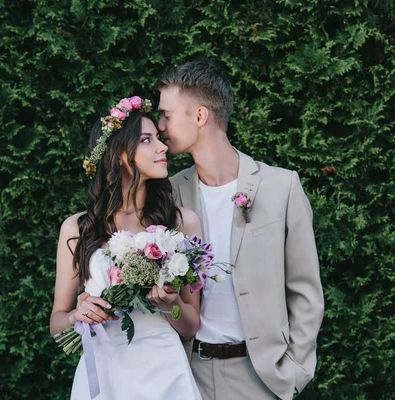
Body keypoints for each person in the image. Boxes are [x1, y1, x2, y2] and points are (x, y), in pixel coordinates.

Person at [155, 61, 324, 400]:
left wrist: (294, 372)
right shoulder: (168, 194)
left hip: (261, 378)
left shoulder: (282, 186)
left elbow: (305, 290)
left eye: (167, 115)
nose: (159, 127)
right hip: (188, 375)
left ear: (200, 116)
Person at [49, 96, 202, 399]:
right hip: (106, 372)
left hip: (165, 370)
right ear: (119, 154)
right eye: (148, 140)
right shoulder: (77, 228)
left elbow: (191, 325)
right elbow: (57, 322)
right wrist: (77, 315)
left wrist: (169, 303)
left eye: (159, 139)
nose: (162, 147)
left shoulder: (182, 222)